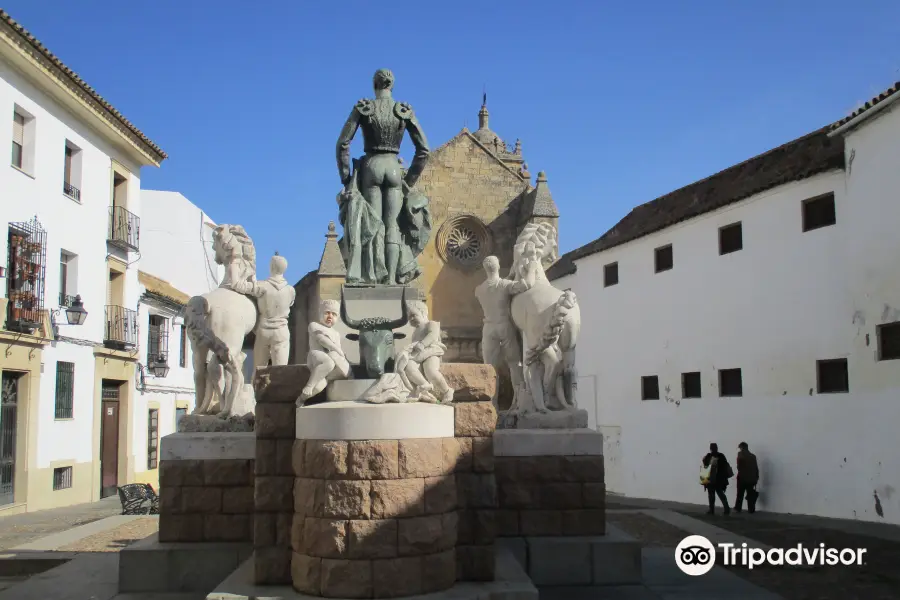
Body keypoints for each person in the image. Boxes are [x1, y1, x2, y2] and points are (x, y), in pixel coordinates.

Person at [299, 300, 350, 405]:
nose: (330, 316)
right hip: (317, 355)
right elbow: (322, 340)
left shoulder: (336, 334)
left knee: (320, 386)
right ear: (320, 313)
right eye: (327, 312)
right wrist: (338, 350)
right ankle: (309, 385)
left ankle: (301, 399)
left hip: (329, 363)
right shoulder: (314, 325)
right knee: (328, 363)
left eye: (334, 314)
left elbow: (338, 355)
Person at [702, 443, 732, 515]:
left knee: (712, 496)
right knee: (721, 494)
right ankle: (726, 509)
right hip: (719, 479)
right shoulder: (721, 456)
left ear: (710, 448)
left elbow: (705, 467)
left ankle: (712, 510)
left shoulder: (708, 456)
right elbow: (725, 467)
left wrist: (704, 481)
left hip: (711, 479)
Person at [735, 442, 760, 514]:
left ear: (742, 447)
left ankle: (738, 508)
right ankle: (751, 509)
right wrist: (756, 477)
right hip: (751, 478)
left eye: (740, 448)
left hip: (742, 478)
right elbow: (756, 467)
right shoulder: (753, 456)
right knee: (750, 494)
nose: (740, 449)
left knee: (740, 494)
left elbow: (738, 466)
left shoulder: (740, 454)